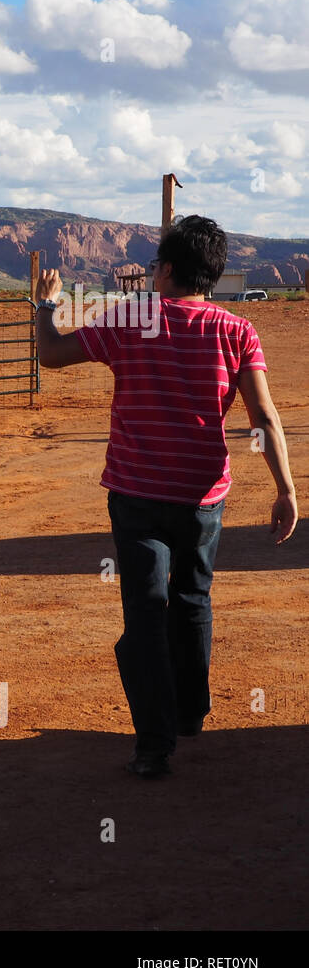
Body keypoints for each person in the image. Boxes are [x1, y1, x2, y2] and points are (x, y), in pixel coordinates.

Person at [35, 215, 296, 779]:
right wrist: (286, 489)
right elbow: (265, 418)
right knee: (193, 600)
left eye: (154, 263)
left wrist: (44, 307)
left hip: (136, 493)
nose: (150, 272)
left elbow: (51, 356)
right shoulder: (237, 330)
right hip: (203, 496)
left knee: (147, 613)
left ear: (171, 268)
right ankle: (190, 712)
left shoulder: (130, 319)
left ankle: (154, 744)